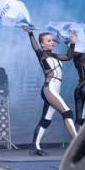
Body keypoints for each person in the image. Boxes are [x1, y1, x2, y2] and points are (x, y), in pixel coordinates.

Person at [22, 25, 77, 156]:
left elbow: (69, 56)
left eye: (52, 40)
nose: (52, 42)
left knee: (46, 120)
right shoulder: (42, 55)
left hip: (54, 91)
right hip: (49, 88)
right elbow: (35, 47)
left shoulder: (56, 56)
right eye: (48, 40)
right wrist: (30, 33)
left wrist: (72, 43)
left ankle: (34, 146)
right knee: (67, 113)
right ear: (42, 44)